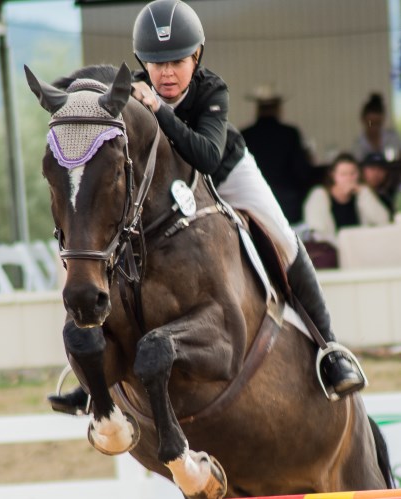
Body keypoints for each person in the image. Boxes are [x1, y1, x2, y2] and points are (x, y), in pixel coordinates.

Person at [48, 0, 365, 414]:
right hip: (168, 190)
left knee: (283, 236)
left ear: (196, 56)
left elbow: (207, 157)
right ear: (143, 61)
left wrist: (158, 110)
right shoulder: (134, 94)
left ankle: (330, 348)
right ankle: (95, 374)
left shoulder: (211, 89)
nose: (166, 73)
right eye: (156, 63)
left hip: (225, 171)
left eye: (177, 62)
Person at [240, 84, 313, 225]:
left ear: (257, 109)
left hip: (255, 203)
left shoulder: (246, 134)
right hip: (288, 206)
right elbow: (302, 171)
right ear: (278, 108)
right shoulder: (290, 133)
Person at [303, 152, 390, 245]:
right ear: (333, 175)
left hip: (363, 247)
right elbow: (319, 233)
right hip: (333, 250)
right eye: (343, 174)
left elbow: (383, 221)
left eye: (352, 174)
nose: (348, 178)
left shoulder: (363, 194)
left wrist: (364, 194)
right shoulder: (319, 195)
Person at [353, 92, 401, 162]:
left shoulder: (392, 138)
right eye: (371, 123)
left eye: (378, 123)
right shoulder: (358, 144)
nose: (374, 127)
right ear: (363, 120)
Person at [360, 152, 400, 219]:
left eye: (380, 169)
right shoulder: (357, 193)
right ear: (363, 171)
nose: (376, 174)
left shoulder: (390, 195)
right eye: (372, 169)